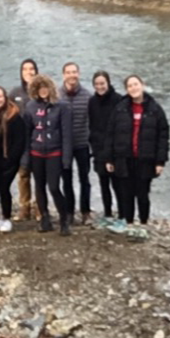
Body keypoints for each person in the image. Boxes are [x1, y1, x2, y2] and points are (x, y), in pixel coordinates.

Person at [104, 75, 168, 225]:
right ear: (127, 89)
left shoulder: (155, 109)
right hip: (124, 158)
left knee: (143, 194)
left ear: (142, 85)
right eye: (130, 86)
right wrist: (109, 158)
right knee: (126, 193)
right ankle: (129, 222)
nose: (134, 88)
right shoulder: (120, 108)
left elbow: (163, 136)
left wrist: (160, 161)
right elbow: (110, 134)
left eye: (136, 84)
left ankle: (144, 222)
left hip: (145, 159)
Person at [21, 73, 72, 236]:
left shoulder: (61, 107)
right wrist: (26, 158)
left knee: (54, 187)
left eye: (45, 88)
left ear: (50, 89)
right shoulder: (30, 107)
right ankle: (45, 218)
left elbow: (67, 134)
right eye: (39, 88)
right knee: (39, 186)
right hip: (36, 152)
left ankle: (64, 219)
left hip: (54, 152)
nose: (43, 91)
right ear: (34, 90)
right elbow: (27, 134)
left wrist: (66, 158)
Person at [0, 86, 26, 233]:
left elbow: (20, 141)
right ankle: (0, 217)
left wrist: (11, 160)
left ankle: (7, 218)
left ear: (5, 97)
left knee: (4, 186)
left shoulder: (14, 116)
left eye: (0, 96)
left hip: (9, 159)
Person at [58, 61, 93, 224]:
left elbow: (93, 121)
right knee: (66, 180)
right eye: (68, 72)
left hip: (82, 143)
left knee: (84, 178)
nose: (72, 75)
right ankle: (69, 211)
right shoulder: (57, 95)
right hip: (64, 146)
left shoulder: (87, 96)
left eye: (74, 72)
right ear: (64, 75)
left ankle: (85, 211)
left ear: (78, 74)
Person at [88, 70, 123, 219]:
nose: (100, 87)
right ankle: (107, 213)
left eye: (102, 83)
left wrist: (114, 153)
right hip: (99, 149)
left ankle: (123, 214)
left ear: (108, 83)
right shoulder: (92, 102)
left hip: (116, 150)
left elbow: (121, 128)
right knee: (104, 184)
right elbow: (92, 126)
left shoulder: (119, 100)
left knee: (118, 185)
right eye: (96, 84)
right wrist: (95, 148)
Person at [9, 58, 38, 221]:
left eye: (31, 69)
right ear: (21, 72)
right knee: (24, 173)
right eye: (25, 69)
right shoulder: (15, 93)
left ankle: (40, 207)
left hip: (39, 139)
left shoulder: (41, 91)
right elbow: (7, 114)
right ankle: (24, 208)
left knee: (40, 176)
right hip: (21, 139)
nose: (29, 72)